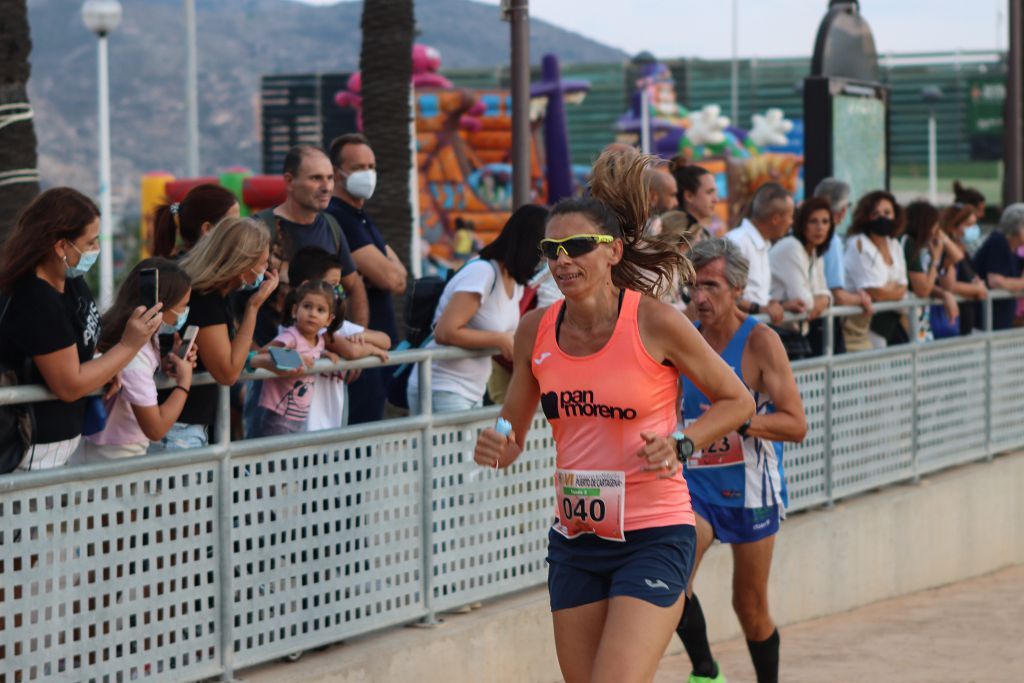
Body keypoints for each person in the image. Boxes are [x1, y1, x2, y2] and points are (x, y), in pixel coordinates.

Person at [473, 151, 753, 683]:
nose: (562, 260)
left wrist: (683, 443)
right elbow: (513, 429)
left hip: (655, 532)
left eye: (577, 246)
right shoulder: (534, 331)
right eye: (551, 249)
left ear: (612, 252)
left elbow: (737, 400)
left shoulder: (655, 321)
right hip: (576, 539)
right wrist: (497, 444)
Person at [674, 238, 807, 683]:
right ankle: (705, 671)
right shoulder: (683, 337)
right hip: (696, 486)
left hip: (751, 486)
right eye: (693, 287)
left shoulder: (762, 342)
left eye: (711, 286)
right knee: (671, 582)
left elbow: (795, 424)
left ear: (736, 288)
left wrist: (739, 421)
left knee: (749, 607)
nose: (700, 297)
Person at [0, 188, 163, 469]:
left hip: (64, 447)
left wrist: (104, 368)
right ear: (61, 246)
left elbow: (83, 347)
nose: (96, 250)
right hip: (33, 453)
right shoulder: (35, 298)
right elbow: (69, 384)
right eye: (90, 242)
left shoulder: (71, 280)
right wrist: (128, 346)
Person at [151, 217, 280, 450]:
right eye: (262, 264)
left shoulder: (216, 294)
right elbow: (228, 372)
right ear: (242, 264)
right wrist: (254, 307)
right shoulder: (205, 300)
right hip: (178, 428)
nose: (266, 271)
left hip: (186, 423)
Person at [407, 204, 546, 414]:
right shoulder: (483, 273)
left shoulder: (514, 281)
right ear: (529, 244)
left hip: (470, 390)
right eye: (547, 249)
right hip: (443, 387)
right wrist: (500, 340)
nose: (548, 258)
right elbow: (445, 332)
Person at [326, 133, 406, 424]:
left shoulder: (360, 217)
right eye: (359, 167)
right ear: (337, 173)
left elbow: (400, 278)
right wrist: (385, 268)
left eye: (371, 166)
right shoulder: (340, 217)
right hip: (356, 357)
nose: (368, 174)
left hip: (376, 350)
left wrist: (386, 269)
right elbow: (389, 278)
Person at [85, 259, 198, 460]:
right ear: (160, 304)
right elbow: (155, 428)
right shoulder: (136, 352)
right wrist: (184, 383)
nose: (184, 313)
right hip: (114, 457)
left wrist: (166, 364)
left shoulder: (134, 336)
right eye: (183, 306)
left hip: (105, 451)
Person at [256, 144, 368, 327]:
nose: (326, 187)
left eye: (330, 178)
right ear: (289, 181)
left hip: (325, 352)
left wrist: (357, 334)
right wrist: (253, 353)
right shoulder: (259, 229)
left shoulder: (332, 226)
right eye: (316, 178)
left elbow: (354, 285)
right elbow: (235, 299)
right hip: (272, 351)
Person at [251, 280, 342, 436]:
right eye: (307, 306)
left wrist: (325, 354)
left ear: (329, 319)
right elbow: (264, 353)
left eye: (320, 310)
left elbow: (312, 354)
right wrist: (294, 356)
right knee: (275, 459)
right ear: (295, 310)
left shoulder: (319, 341)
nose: (312, 313)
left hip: (300, 416)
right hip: (278, 414)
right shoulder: (290, 336)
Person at [842, 191, 908, 350]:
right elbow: (874, 291)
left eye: (887, 213)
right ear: (866, 216)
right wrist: (893, 289)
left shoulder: (894, 244)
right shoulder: (858, 243)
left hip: (887, 321)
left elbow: (904, 285)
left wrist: (888, 289)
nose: (882, 218)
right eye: (875, 214)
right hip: (861, 324)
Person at [768, 197, 834, 356]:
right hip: (775, 331)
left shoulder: (814, 252)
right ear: (802, 223)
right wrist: (824, 299)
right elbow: (803, 301)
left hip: (791, 333)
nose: (820, 227)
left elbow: (824, 292)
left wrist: (825, 298)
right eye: (813, 221)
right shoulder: (792, 246)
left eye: (825, 222)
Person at [725, 182, 794, 324]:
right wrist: (760, 309)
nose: (791, 222)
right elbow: (725, 292)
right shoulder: (737, 241)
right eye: (790, 216)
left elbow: (756, 295)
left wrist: (778, 305)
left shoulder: (762, 243)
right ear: (776, 219)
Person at [901, 201, 962, 339]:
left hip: (921, 322)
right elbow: (923, 290)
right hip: (909, 321)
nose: (937, 230)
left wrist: (945, 294)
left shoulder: (922, 248)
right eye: (934, 224)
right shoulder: (909, 244)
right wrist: (935, 260)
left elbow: (958, 257)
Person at [938, 203, 989, 334]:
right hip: (950, 327)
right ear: (953, 228)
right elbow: (949, 285)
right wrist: (977, 289)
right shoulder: (947, 253)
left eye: (974, 224)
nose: (973, 229)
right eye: (968, 224)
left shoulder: (965, 253)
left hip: (965, 327)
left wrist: (978, 289)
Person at [151, 183, 240, 258]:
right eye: (233, 224)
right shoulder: (198, 275)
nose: (240, 230)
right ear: (208, 229)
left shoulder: (171, 269)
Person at [973, 203, 1024, 330]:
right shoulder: (999, 242)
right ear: (1019, 228)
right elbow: (995, 281)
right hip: (985, 323)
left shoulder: (1013, 250)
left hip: (1000, 322)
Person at [654, 209, 706, 312]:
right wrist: (688, 309)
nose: (701, 242)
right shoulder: (661, 270)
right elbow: (658, 310)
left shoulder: (673, 267)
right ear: (684, 243)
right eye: (698, 236)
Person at [672, 161, 719, 238]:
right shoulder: (680, 238)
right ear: (689, 196)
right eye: (709, 192)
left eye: (715, 193)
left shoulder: (701, 232)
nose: (716, 200)